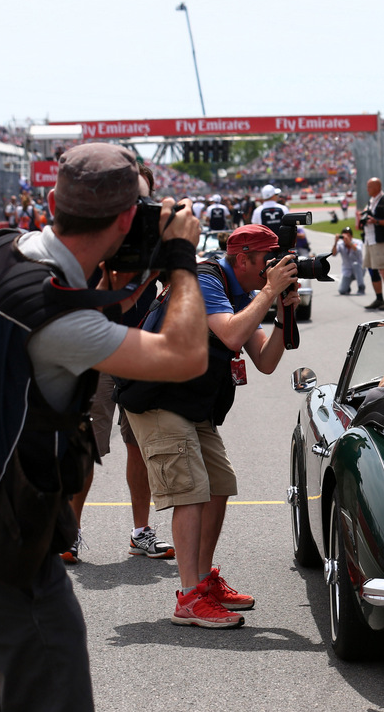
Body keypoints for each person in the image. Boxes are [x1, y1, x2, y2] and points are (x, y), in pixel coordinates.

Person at [0, 142, 207, 712]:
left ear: (49, 202)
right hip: (0, 546)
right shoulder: (60, 318)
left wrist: (122, 269)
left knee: (8, 700)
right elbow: (186, 354)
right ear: (127, 220)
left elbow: (74, 304)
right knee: (50, 709)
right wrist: (178, 262)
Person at [117, 224, 300, 629]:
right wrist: (270, 293)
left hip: (190, 401)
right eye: (267, 261)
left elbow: (266, 362)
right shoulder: (205, 279)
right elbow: (232, 333)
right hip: (157, 396)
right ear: (242, 260)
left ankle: (202, 580)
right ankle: (189, 599)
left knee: (219, 483)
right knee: (191, 492)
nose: (273, 268)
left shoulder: (243, 292)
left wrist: (284, 314)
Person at [68, 164, 174, 564]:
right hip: (99, 350)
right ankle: (70, 531)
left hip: (142, 350)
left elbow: (179, 285)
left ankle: (141, 531)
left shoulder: (159, 235)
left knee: (139, 446)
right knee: (86, 446)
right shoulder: (97, 234)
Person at [360, 176, 384, 310]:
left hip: (380, 240)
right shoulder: (371, 201)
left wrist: (375, 221)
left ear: (377, 187)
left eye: (369, 186)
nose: (367, 189)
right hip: (369, 239)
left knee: (382, 269)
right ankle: (379, 298)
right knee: (372, 269)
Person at [331, 226, 366, 295]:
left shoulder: (357, 242)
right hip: (347, 271)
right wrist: (335, 242)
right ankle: (347, 287)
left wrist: (350, 243)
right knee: (342, 290)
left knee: (355, 264)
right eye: (344, 236)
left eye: (348, 236)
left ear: (351, 236)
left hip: (359, 270)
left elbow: (358, 251)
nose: (346, 238)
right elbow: (333, 254)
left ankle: (361, 287)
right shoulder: (340, 244)